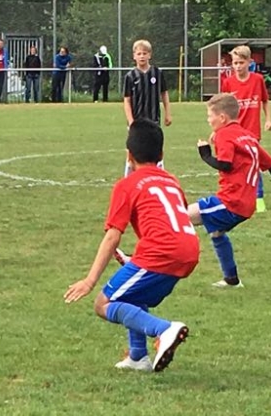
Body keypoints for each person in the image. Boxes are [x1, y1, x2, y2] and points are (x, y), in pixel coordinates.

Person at [63, 119, 194, 373]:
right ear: (161, 155)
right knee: (133, 295)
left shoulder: (127, 185)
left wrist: (89, 281)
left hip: (161, 252)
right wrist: (134, 260)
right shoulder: (172, 181)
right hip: (188, 250)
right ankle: (137, 357)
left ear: (129, 155)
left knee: (103, 304)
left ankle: (164, 329)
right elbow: (172, 222)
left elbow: (112, 236)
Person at [191, 93, 271, 288]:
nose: (208, 120)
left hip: (231, 202)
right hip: (246, 204)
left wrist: (205, 154)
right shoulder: (247, 136)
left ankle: (146, 262)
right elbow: (270, 164)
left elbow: (225, 165)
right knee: (217, 233)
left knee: (178, 218)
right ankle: (231, 279)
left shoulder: (224, 135)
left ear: (222, 118)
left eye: (210, 116)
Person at [220, 45, 271, 213]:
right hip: (233, 133)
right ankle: (237, 197)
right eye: (235, 63)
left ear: (249, 62)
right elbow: (223, 108)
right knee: (236, 166)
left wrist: (268, 120)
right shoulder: (228, 83)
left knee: (253, 165)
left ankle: (259, 198)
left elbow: (265, 101)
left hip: (251, 132)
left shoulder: (257, 80)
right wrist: (217, 131)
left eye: (241, 63)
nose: (237, 66)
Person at [122, 39, 171, 176]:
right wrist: (131, 121)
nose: (142, 56)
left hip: (153, 121)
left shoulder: (157, 73)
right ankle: (129, 178)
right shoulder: (130, 76)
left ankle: (159, 176)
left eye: (144, 53)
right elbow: (127, 100)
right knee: (133, 150)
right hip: (137, 121)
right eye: (139, 53)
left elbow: (164, 93)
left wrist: (168, 113)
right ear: (134, 56)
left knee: (155, 150)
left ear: (150, 55)